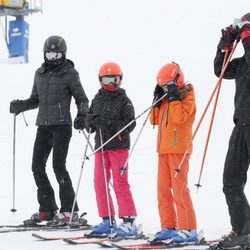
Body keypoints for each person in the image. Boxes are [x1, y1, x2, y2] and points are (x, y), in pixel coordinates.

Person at [9, 35, 89, 225]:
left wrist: (81, 116)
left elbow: (82, 99)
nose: (52, 58)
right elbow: (35, 100)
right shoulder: (40, 73)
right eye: (49, 54)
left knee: (58, 167)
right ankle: (47, 208)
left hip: (62, 126)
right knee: (37, 166)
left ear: (63, 54)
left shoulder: (70, 73)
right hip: (43, 127)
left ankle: (69, 211)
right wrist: (21, 105)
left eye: (56, 54)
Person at [85, 62, 140, 237]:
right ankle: (107, 219)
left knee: (120, 182)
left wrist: (108, 124)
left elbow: (130, 123)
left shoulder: (124, 100)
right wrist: (87, 122)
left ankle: (129, 221)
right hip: (101, 147)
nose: (110, 84)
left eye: (114, 79)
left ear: (120, 80)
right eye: (107, 79)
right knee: (99, 182)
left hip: (119, 147)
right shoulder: (97, 98)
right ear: (100, 80)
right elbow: (91, 118)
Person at [150, 62, 197, 243]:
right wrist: (156, 102)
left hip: (179, 151)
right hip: (163, 150)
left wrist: (174, 98)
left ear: (177, 81)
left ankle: (188, 228)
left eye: (166, 86)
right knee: (162, 190)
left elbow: (179, 118)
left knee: (180, 190)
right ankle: (169, 226)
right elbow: (154, 121)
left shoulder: (187, 96)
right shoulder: (166, 99)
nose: (164, 89)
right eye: (161, 87)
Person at [214, 13, 250, 248]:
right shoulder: (243, 64)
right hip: (241, 126)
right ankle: (243, 230)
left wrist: (246, 34)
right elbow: (221, 70)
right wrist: (225, 45)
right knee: (231, 181)